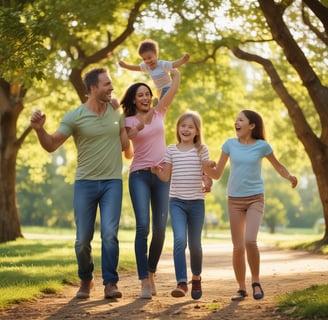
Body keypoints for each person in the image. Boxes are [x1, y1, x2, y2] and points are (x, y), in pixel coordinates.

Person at [30, 67, 131, 300]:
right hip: (85, 182)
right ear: (93, 88)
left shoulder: (116, 113)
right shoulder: (75, 116)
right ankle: (86, 280)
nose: (112, 88)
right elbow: (52, 144)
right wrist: (39, 130)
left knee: (109, 234)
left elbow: (127, 147)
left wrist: (124, 121)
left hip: (112, 182)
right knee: (82, 239)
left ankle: (110, 283)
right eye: (107, 84)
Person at [202, 110, 298, 302]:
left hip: (255, 198)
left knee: (249, 241)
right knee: (237, 247)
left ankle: (255, 281)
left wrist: (289, 176)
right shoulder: (229, 144)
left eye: (240, 120)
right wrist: (205, 167)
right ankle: (240, 288)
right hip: (234, 201)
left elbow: (278, 166)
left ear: (252, 125)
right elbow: (218, 174)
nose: (236, 122)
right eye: (235, 119)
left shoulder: (262, 146)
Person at [120, 69, 180, 299]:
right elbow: (126, 151)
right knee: (143, 226)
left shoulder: (159, 112)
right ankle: (144, 280)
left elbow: (173, 90)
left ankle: (151, 271)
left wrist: (174, 73)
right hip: (139, 176)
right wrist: (135, 130)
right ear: (134, 100)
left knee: (160, 230)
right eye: (140, 95)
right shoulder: (126, 121)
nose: (145, 97)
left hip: (162, 176)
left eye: (147, 94)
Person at [151, 110, 212, 300]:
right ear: (177, 128)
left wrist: (208, 183)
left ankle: (196, 277)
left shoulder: (202, 150)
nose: (186, 129)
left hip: (196, 203)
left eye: (190, 127)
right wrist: (155, 171)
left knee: (195, 244)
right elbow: (165, 176)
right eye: (183, 126)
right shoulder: (171, 150)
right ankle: (181, 282)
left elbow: (207, 175)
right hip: (176, 201)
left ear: (197, 131)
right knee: (179, 241)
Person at [119, 38, 189, 100]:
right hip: (159, 89)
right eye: (144, 59)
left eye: (149, 58)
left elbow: (173, 64)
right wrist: (125, 66)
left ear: (156, 55)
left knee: (163, 99)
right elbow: (136, 68)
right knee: (159, 98)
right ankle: (157, 104)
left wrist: (182, 60)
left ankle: (160, 103)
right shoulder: (146, 66)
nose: (147, 61)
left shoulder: (162, 64)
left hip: (168, 87)